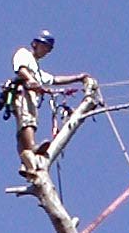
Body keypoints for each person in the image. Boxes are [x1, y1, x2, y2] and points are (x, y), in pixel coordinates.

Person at [11, 31, 93, 171]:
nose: (46, 51)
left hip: (29, 94)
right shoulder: (24, 53)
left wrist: (78, 77)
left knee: (26, 123)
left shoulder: (37, 70)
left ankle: (27, 161)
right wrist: (31, 81)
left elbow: (55, 80)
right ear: (35, 44)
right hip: (24, 91)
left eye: (48, 49)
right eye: (44, 47)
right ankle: (31, 147)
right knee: (28, 120)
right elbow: (21, 69)